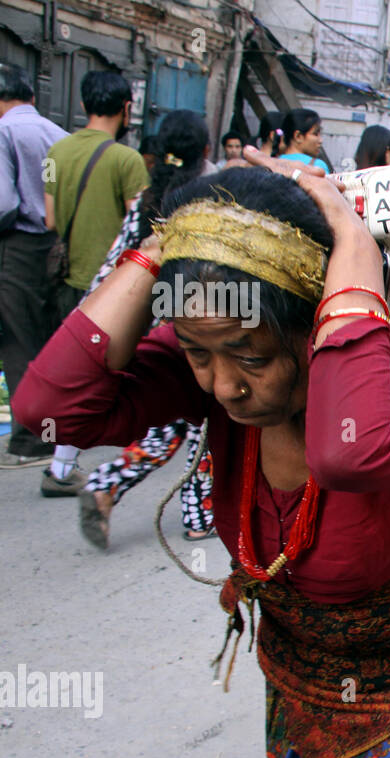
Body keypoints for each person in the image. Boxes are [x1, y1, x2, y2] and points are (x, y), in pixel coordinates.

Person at [14, 154, 390, 758]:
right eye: (198, 355)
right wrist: (172, 242)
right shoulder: (213, 382)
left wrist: (353, 253)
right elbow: (46, 408)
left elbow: (347, 455)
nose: (224, 387)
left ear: (320, 319)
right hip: (300, 667)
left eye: (249, 355)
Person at [76, 109, 217, 547]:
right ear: (206, 150)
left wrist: (94, 317)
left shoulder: (146, 198)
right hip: (196, 325)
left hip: (148, 326)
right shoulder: (211, 197)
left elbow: (118, 259)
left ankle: (107, 485)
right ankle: (197, 515)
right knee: (204, 422)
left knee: (176, 421)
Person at [40, 69, 149, 490]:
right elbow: (139, 223)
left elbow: (50, 218)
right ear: (126, 109)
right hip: (112, 286)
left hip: (69, 277)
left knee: (76, 372)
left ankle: (61, 459)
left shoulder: (55, 153)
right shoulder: (127, 160)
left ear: (85, 105)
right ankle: (71, 466)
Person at [0, 64, 67, 471]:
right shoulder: (56, 134)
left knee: (19, 342)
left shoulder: (5, 132)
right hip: (54, 245)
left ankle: (32, 439)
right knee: (44, 341)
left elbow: (4, 204)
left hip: (18, 246)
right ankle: (51, 432)